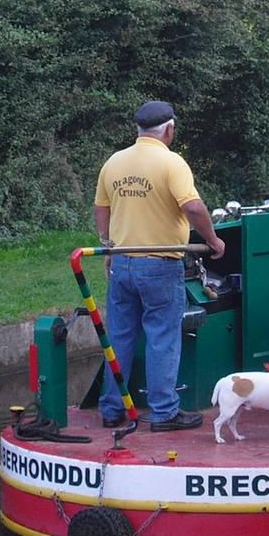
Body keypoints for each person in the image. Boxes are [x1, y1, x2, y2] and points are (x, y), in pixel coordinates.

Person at [94, 100, 225, 431]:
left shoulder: (114, 162)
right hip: (160, 265)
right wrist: (212, 240)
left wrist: (107, 245)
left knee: (119, 337)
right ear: (169, 129)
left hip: (122, 263)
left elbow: (101, 208)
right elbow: (193, 207)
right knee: (162, 337)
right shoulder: (172, 163)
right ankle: (164, 412)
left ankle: (111, 409)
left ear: (138, 129)